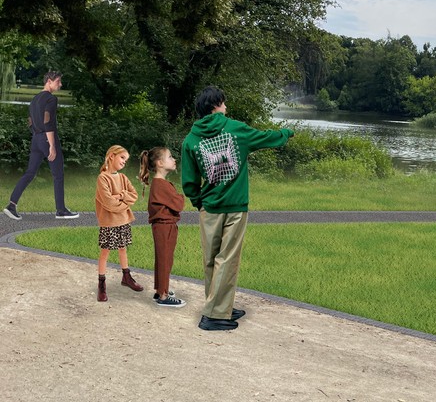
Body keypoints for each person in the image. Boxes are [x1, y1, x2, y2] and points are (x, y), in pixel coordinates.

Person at [181, 86, 293, 331]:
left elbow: (189, 180)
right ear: (217, 105)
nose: (226, 107)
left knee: (212, 259)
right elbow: (265, 137)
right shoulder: (235, 129)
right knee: (227, 259)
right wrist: (286, 132)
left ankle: (222, 306)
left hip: (208, 207)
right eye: (224, 103)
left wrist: (197, 201)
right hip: (234, 206)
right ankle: (214, 315)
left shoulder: (190, 140)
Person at [3, 71, 79, 220]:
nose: (60, 84)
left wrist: (36, 135)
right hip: (47, 139)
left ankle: (11, 205)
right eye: (58, 81)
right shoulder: (51, 99)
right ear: (49, 81)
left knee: (30, 173)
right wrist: (51, 145)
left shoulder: (35, 99)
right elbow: (48, 121)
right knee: (58, 175)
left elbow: (30, 121)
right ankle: (61, 210)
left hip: (36, 139)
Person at [138, 147, 187, 308]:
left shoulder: (159, 183)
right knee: (165, 259)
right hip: (165, 226)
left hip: (163, 226)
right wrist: (181, 196)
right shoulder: (161, 185)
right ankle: (164, 296)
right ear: (160, 163)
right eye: (170, 157)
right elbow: (179, 204)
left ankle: (160, 289)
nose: (174, 160)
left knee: (163, 258)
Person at [95, 145, 144, 302]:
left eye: (126, 160)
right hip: (109, 222)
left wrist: (121, 195)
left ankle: (126, 277)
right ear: (111, 156)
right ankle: (101, 285)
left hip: (123, 220)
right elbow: (108, 203)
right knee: (105, 252)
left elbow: (134, 195)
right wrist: (125, 203)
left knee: (123, 249)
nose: (124, 162)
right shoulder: (103, 178)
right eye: (122, 158)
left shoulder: (123, 178)